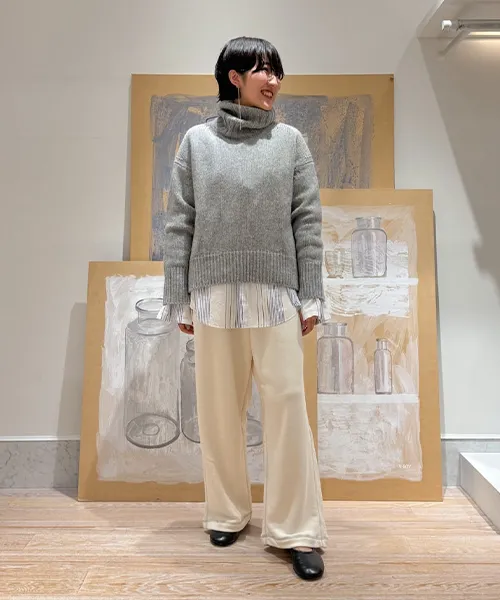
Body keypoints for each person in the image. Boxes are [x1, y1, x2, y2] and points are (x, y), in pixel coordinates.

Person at [159, 36, 328, 581]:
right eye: (263, 70)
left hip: (277, 295)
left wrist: (312, 293)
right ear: (234, 77)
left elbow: (307, 222)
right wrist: (178, 296)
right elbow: (179, 223)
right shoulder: (196, 142)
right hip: (212, 296)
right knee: (218, 412)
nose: (274, 81)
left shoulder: (291, 142)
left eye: (277, 72)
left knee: (288, 412)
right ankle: (226, 512)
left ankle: (297, 530)